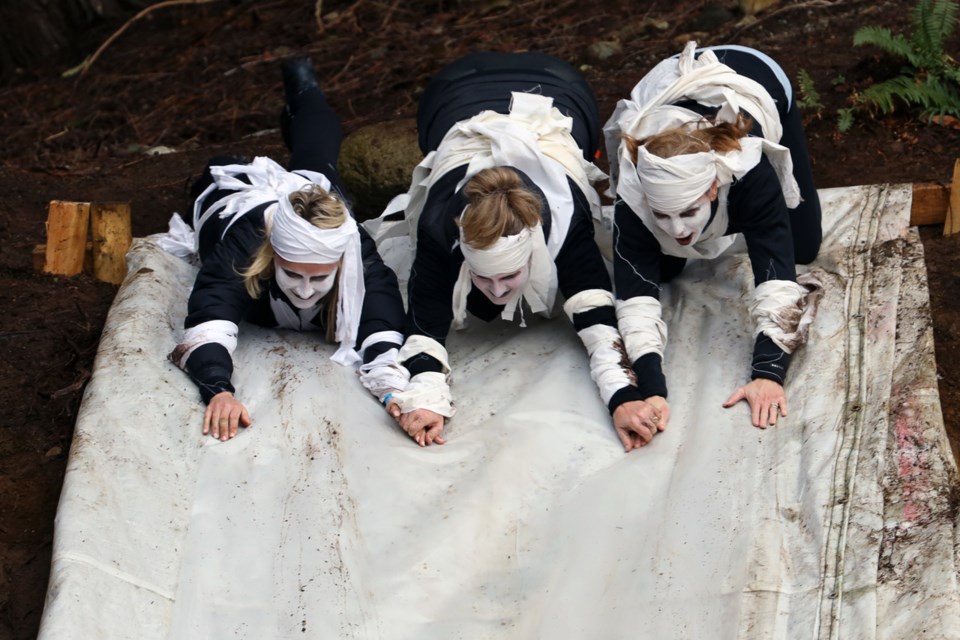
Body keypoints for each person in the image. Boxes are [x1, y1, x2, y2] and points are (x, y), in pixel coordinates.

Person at [377, 51, 664, 450]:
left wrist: (623, 397)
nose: (496, 291)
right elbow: (425, 325)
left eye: (508, 275)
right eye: (484, 276)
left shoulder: (566, 222)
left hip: (559, 88)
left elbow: (598, 323)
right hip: (450, 95)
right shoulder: (438, 230)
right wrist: (425, 398)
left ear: (535, 248)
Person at [167, 58, 408, 441]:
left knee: (319, 157)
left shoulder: (353, 249)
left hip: (315, 201)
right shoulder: (245, 247)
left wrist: (392, 390)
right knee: (220, 169)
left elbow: (382, 320)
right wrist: (220, 391)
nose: (306, 290)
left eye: (321, 277)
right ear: (272, 259)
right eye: (293, 273)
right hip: (239, 200)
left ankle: (304, 87)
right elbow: (208, 321)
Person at [603, 42, 823, 430]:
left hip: (754, 73)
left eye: (688, 212)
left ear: (711, 190)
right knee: (664, 269)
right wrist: (652, 389)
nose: (678, 229)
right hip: (667, 85)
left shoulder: (750, 173)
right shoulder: (633, 194)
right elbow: (634, 298)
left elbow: (777, 281)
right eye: (662, 216)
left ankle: (732, 215)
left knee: (803, 247)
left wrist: (767, 374)